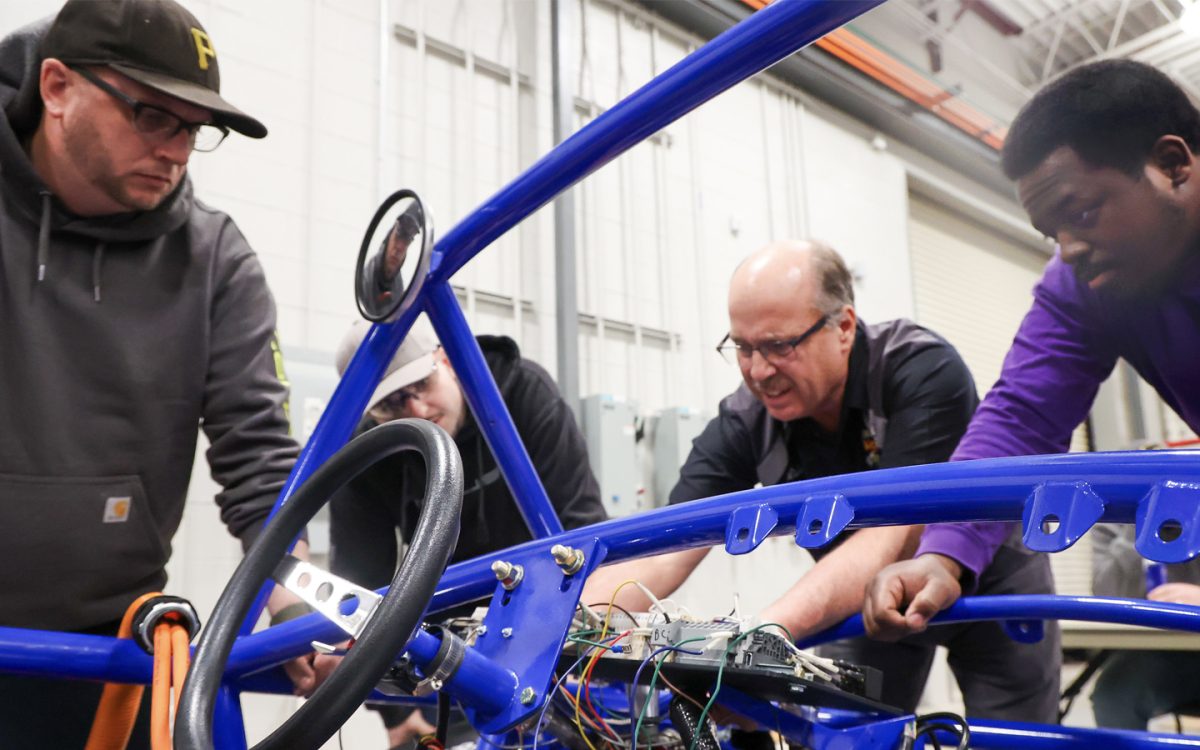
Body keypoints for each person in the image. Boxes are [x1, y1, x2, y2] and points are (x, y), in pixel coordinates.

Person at [584, 240, 1061, 720]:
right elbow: (667, 546)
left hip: (990, 585)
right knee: (843, 728)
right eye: (743, 347)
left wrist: (756, 640)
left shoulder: (922, 370)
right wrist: (574, 622)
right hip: (869, 600)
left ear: (844, 327)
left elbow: (893, 535)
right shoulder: (748, 421)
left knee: (1015, 735)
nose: (758, 370)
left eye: (778, 345)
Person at [0, 1, 305, 746]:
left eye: (195, 131)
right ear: (56, 86)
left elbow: (261, 461)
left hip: (110, 656)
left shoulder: (216, 264)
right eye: (151, 116)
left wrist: (300, 602)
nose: (176, 150)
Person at [864, 60, 1200, 652]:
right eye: (1052, 233)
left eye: (1084, 213)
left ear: (1173, 166)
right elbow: (1023, 416)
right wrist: (943, 556)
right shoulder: (1085, 284)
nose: (1068, 249)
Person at [321, 316, 608, 749]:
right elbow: (362, 592)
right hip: (451, 662)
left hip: (555, 640)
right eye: (394, 404)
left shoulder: (522, 394)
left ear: (445, 360)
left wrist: (575, 646)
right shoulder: (371, 456)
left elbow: (582, 522)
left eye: (421, 386)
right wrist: (394, 716)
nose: (417, 411)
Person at [1088, 524, 1200, 730]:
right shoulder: (1112, 511)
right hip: (1165, 651)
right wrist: (1144, 523)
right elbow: (1105, 592)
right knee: (1115, 696)